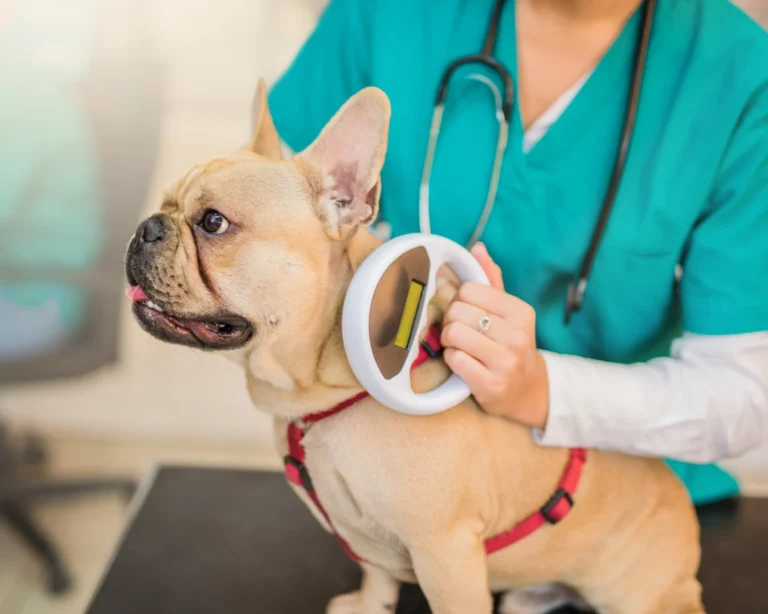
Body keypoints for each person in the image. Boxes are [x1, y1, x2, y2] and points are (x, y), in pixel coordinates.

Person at [268, 0, 768, 506]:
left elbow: (741, 396)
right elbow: (268, 230)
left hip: (616, 506)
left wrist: (539, 390)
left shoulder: (741, 76)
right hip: (386, 478)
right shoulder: (385, 14)